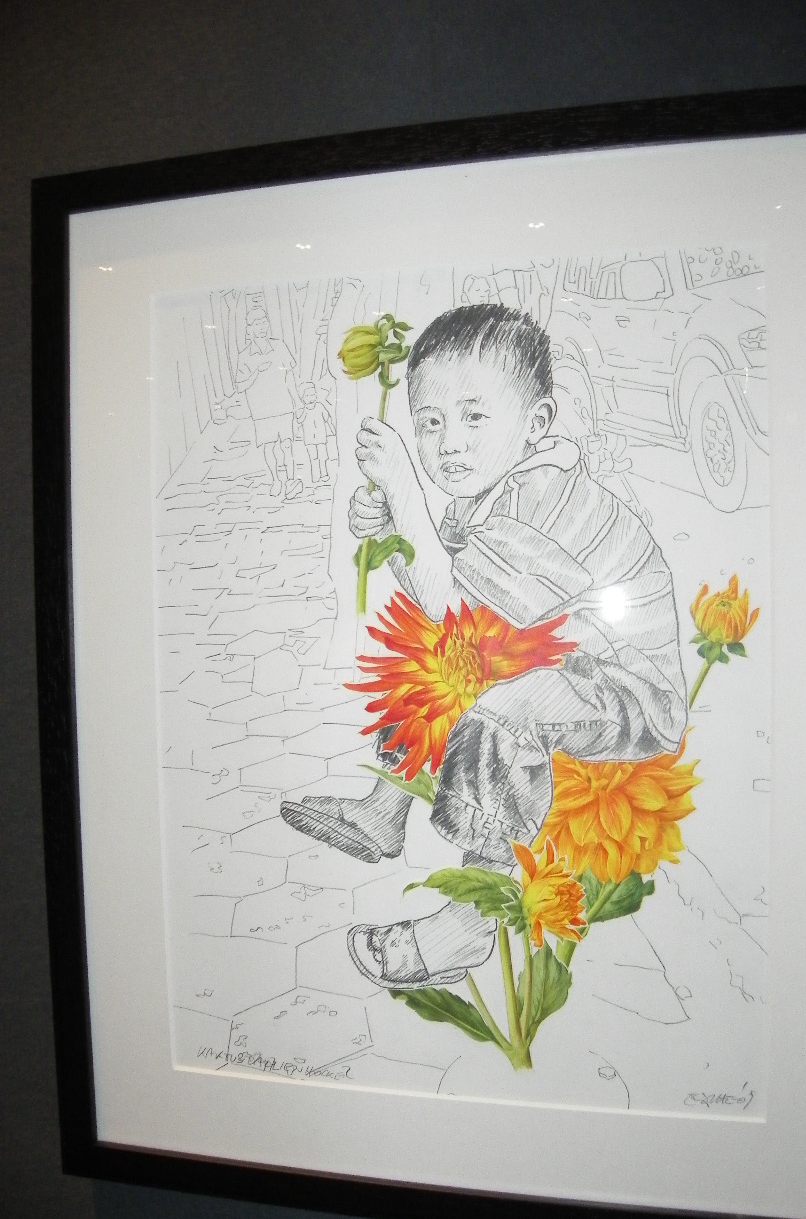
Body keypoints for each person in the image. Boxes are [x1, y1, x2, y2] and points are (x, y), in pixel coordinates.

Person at [281, 305, 686, 988]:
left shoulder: (544, 498)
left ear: (536, 423)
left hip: (626, 690)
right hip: (561, 656)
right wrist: (394, 533)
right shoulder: (485, 494)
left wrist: (405, 492)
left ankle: (472, 920)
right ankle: (384, 810)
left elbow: (463, 613)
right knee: (431, 656)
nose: (449, 444)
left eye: (474, 417)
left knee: (502, 711)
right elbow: (446, 606)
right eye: (430, 422)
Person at [235, 307, 303, 499]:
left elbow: (290, 376)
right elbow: (240, 386)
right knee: (268, 447)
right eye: (257, 324)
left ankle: (291, 481)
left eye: (264, 322)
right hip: (261, 410)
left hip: (284, 405)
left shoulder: (279, 346)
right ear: (250, 329)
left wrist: (297, 401)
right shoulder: (244, 355)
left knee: (287, 445)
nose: (262, 327)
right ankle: (276, 480)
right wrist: (255, 372)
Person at [294, 381, 334, 486]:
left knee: (323, 456)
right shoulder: (304, 410)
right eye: (307, 396)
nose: (310, 398)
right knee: (313, 458)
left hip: (321, 437)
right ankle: (315, 475)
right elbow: (299, 420)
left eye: (312, 394)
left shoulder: (320, 406)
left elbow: (327, 418)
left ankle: (324, 474)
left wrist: (332, 429)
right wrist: (302, 410)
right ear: (302, 398)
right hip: (309, 439)